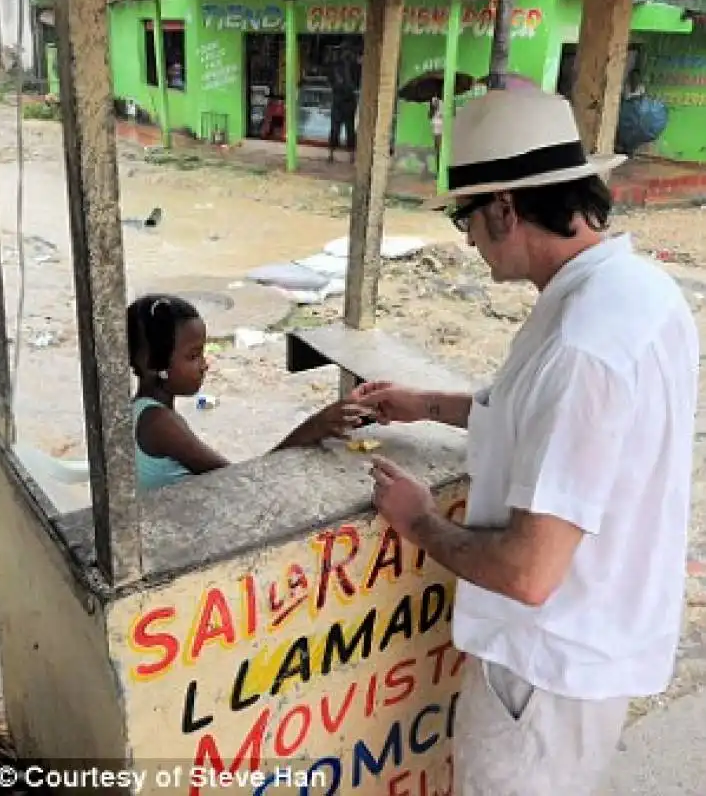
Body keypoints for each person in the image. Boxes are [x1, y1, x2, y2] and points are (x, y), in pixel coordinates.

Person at [352, 90, 699, 795]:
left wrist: (417, 520)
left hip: (542, 675)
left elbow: (527, 573)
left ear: (504, 209)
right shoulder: (641, 291)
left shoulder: (579, 348)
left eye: (467, 220)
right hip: (595, 648)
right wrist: (426, 404)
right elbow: (546, 425)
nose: (470, 242)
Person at [127, 294, 368, 490]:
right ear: (153, 364)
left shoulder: (139, 411)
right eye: (192, 356)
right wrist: (314, 426)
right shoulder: (160, 424)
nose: (204, 364)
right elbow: (242, 481)